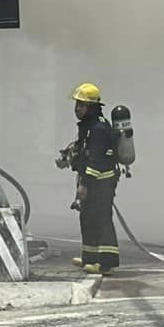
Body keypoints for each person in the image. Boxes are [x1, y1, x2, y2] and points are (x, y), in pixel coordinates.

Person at [60, 82, 122, 274]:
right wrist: (69, 155)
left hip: (101, 181)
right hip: (90, 180)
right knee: (87, 218)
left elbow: (95, 160)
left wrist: (84, 185)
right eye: (77, 105)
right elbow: (84, 152)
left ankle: (106, 263)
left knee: (102, 219)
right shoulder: (88, 127)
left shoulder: (99, 129)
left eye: (82, 105)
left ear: (92, 107)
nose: (77, 109)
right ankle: (90, 258)